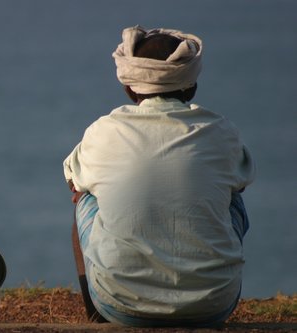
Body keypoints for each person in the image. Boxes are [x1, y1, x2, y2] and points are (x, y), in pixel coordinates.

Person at [63, 25, 256, 327]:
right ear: (191, 86)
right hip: (215, 305)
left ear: (129, 87)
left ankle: (97, 317)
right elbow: (241, 180)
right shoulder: (222, 132)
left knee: (85, 198)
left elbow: (72, 181)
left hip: (120, 306)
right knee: (231, 198)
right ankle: (203, 285)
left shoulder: (103, 131)